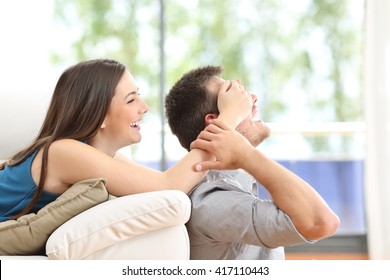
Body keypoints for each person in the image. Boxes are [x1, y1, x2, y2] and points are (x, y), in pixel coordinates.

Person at [0, 59, 253, 222]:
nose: (144, 107)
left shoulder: (100, 156)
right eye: (131, 100)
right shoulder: (63, 152)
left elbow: (165, 181)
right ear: (98, 115)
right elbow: (170, 185)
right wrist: (230, 116)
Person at [165, 65, 340, 260]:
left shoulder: (234, 184)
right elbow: (321, 222)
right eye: (238, 100)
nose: (253, 98)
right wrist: (247, 155)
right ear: (217, 121)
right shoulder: (210, 201)